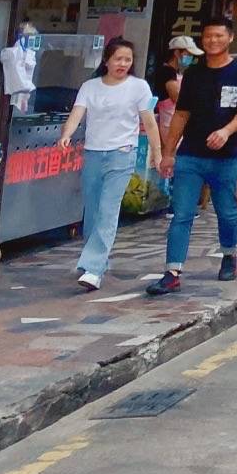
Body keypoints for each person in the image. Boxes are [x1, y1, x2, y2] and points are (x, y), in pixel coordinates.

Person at [149, 15, 237, 296]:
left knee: (227, 212)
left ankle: (229, 255)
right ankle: (173, 271)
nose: (213, 41)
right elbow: (181, 114)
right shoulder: (194, 74)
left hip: (226, 156)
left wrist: (227, 130)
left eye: (219, 36)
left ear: (230, 38)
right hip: (191, 156)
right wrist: (168, 153)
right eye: (208, 36)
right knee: (182, 213)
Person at [60, 38, 161, 291]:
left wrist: (158, 152)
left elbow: (149, 122)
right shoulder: (89, 86)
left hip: (122, 153)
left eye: (128, 60)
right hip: (93, 153)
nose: (123, 64)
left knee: (108, 209)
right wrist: (66, 134)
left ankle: (93, 269)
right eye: (118, 59)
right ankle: (96, 260)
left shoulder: (140, 87)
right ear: (107, 60)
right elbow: (77, 113)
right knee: (92, 209)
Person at [150, 35, 196, 138]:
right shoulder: (167, 72)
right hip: (169, 123)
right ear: (176, 53)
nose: (190, 57)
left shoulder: (175, 72)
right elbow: (177, 98)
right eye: (188, 54)